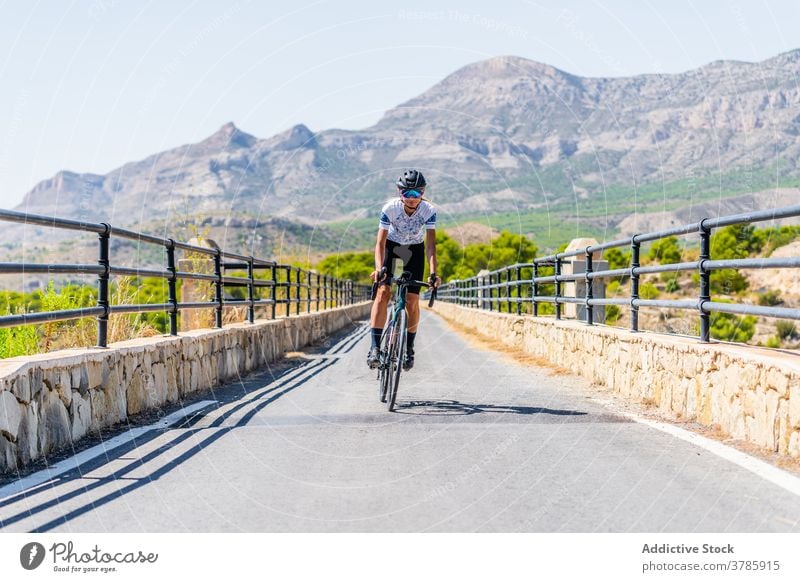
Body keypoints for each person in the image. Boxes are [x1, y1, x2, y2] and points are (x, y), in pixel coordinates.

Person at [367, 169, 441, 371]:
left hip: (414, 249)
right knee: (383, 292)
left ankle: (408, 348)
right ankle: (374, 348)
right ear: (399, 193)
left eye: (416, 193)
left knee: (412, 299)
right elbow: (380, 244)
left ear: (423, 193)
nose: (411, 198)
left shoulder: (429, 210)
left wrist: (433, 273)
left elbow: (431, 246)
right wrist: (379, 269)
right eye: (407, 193)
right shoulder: (390, 208)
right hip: (391, 245)